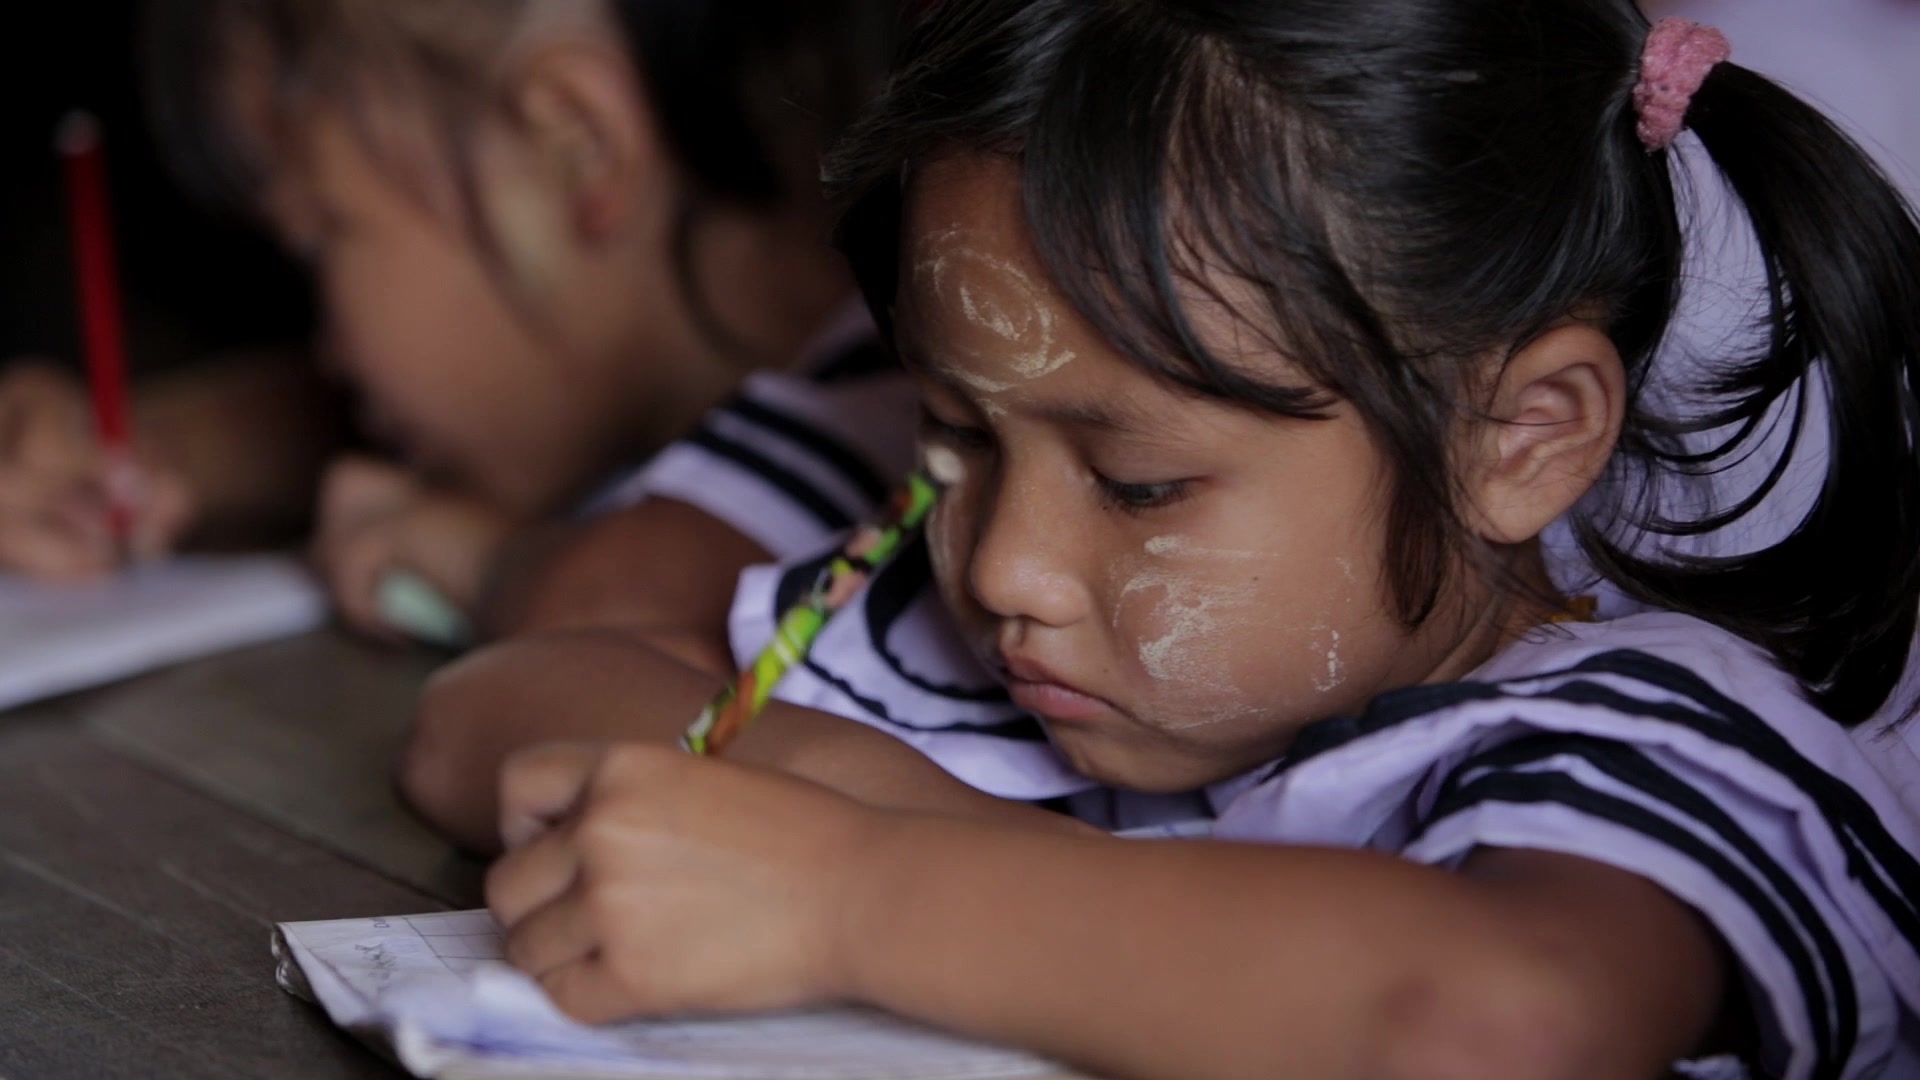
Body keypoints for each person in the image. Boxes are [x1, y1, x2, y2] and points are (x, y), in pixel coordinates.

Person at [480, 2, 1920, 1077]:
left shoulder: (1657, 743)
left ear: (1519, 439)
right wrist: (833, 775)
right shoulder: (1001, 665)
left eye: (1142, 486)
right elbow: (495, 704)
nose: (1003, 569)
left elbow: (1500, 1022)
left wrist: (856, 890)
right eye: (962, 438)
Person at [0, 0, 899, 640]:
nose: (329, 345)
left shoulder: (894, 386)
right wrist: (151, 453)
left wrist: (486, 563)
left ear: (577, 145)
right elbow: (342, 417)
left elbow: (625, 607)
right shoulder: (657, 388)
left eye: (321, 238)